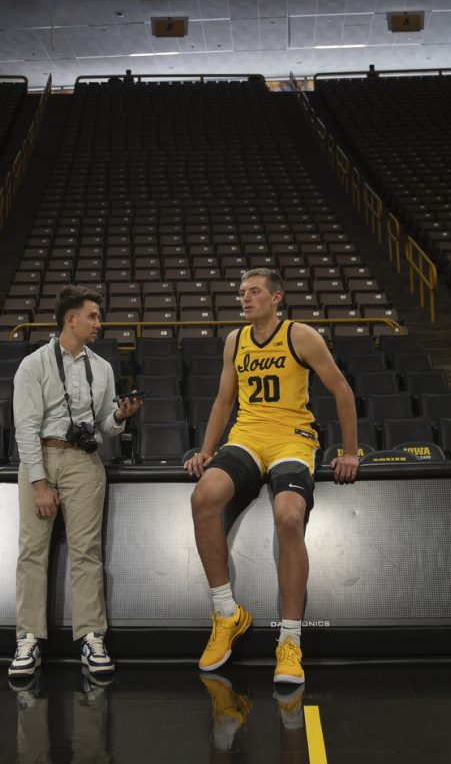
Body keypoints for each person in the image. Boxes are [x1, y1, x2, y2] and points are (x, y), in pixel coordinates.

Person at [184, 268, 359, 685]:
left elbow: (342, 390)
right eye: (242, 292)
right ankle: (227, 613)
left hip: (291, 440)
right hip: (247, 437)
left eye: (254, 292)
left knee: (288, 517)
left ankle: (290, 640)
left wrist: (351, 451)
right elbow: (224, 399)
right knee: (203, 499)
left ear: (276, 298)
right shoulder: (236, 341)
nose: (245, 298)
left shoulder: (300, 336)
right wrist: (207, 450)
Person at [10, 285, 144, 679]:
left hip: (85, 463)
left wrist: (119, 418)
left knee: (87, 551)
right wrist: (38, 483)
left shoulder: (101, 368)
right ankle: (28, 638)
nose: (98, 323)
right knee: (32, 552)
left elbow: (102, 425)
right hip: (42, 458)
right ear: (71, 319)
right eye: (93, 316)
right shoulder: (33, 365)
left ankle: (91, 636)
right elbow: (26, 428)